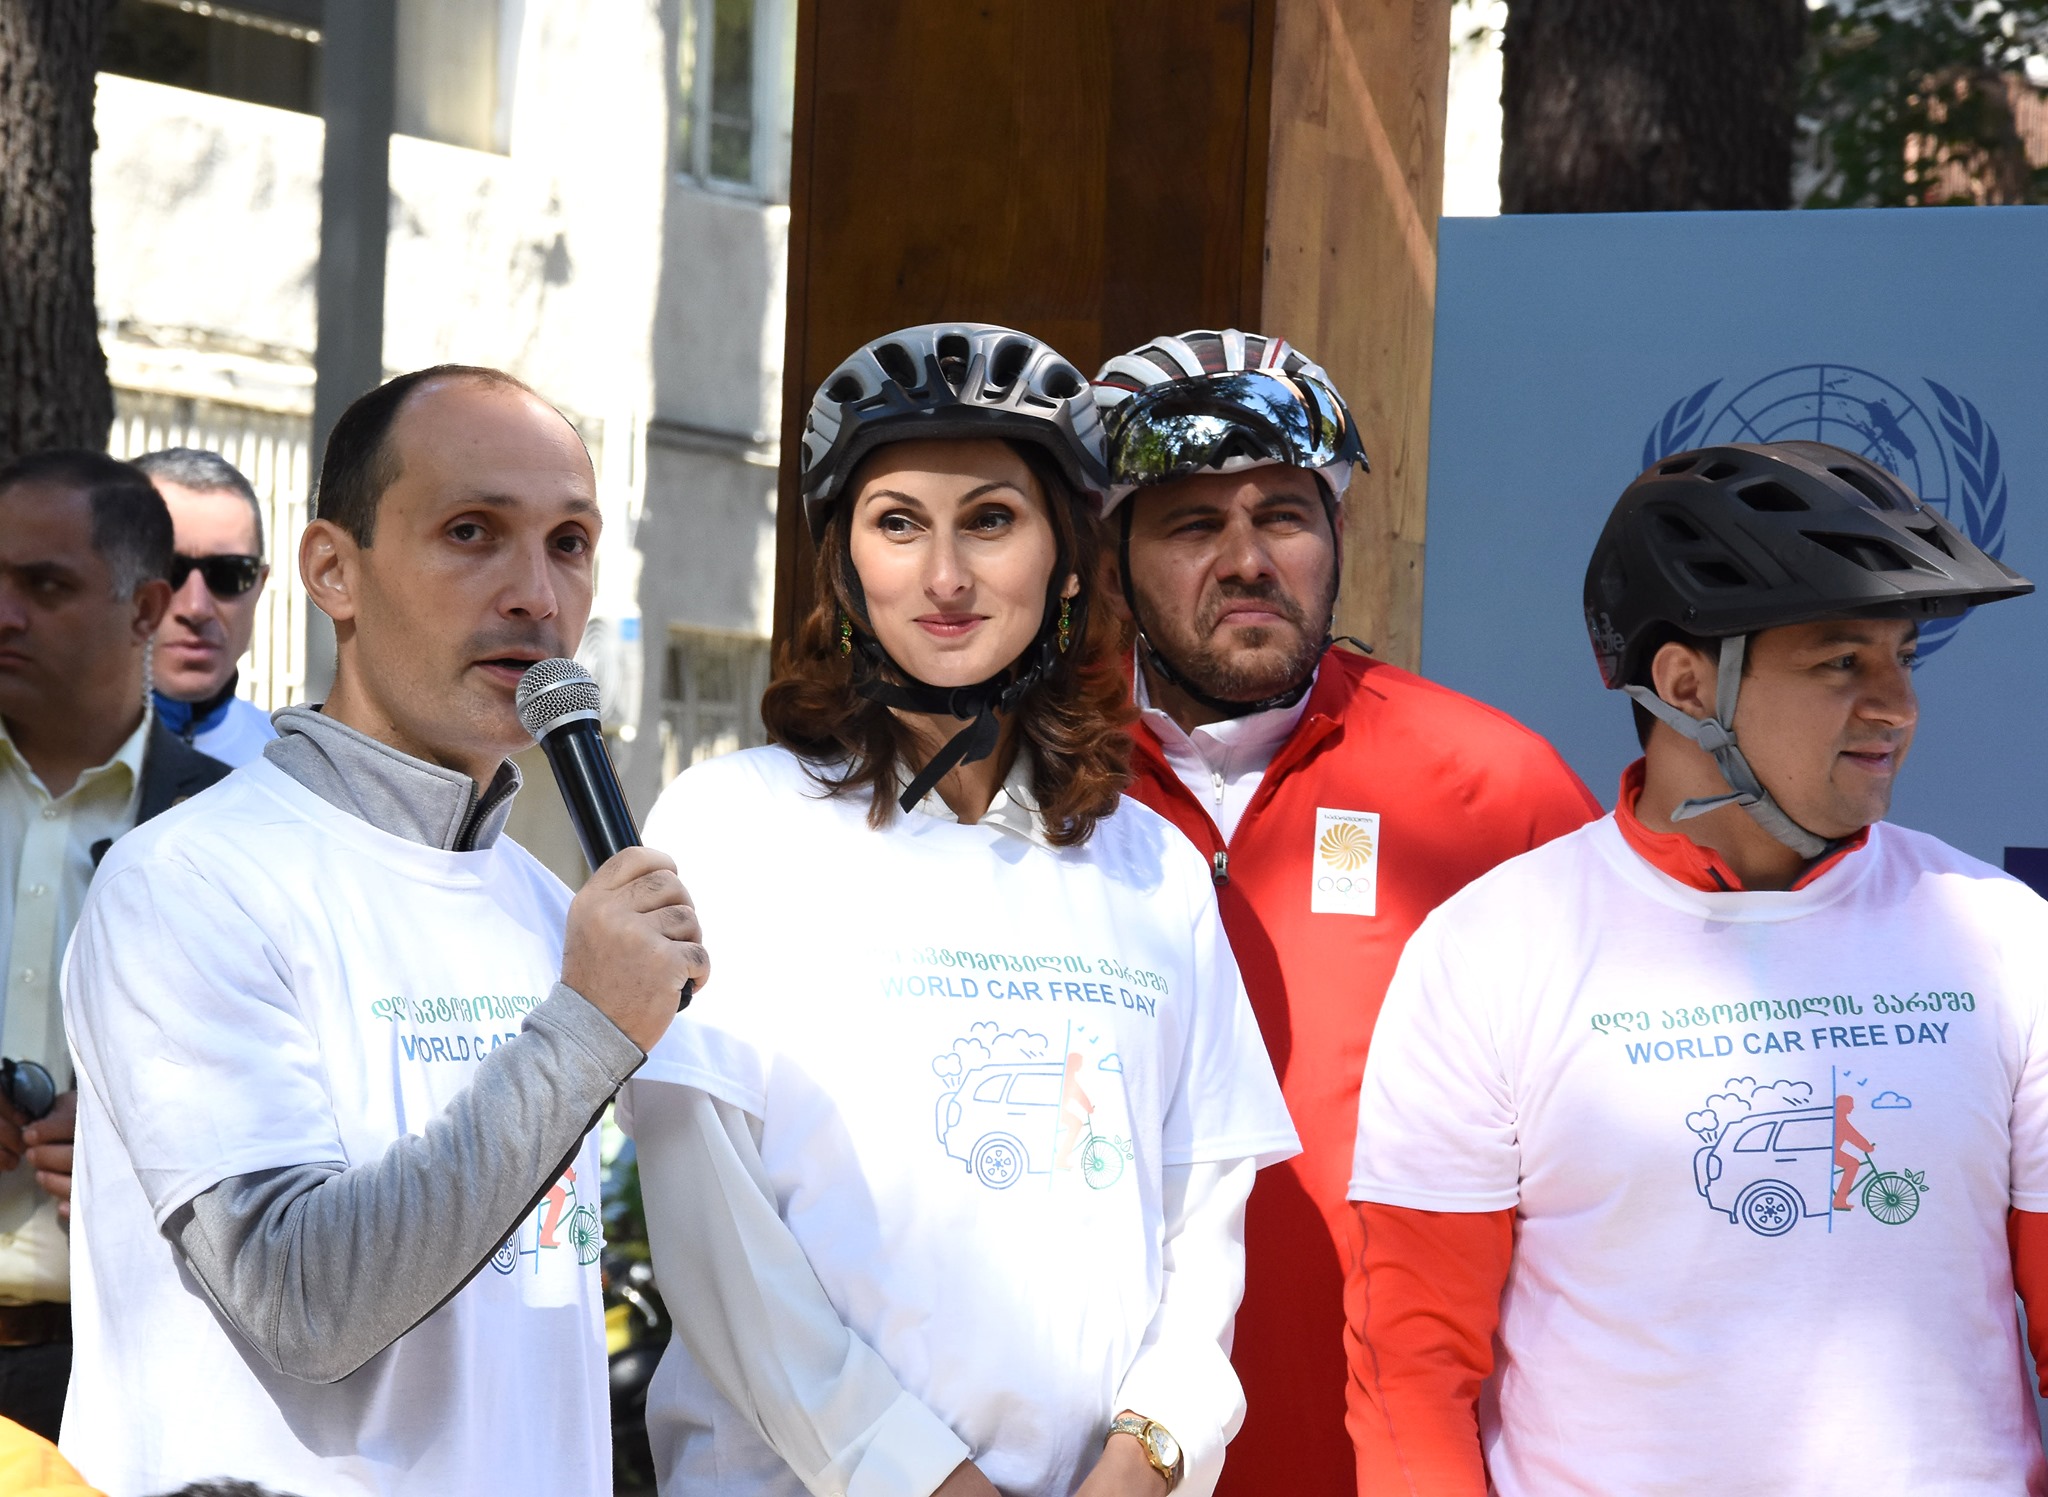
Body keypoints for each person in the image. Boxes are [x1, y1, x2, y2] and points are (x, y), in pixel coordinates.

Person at [624, 323, 1299, 1497]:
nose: (944, 578)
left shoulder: (1150, 865)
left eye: (990, 520)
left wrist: (1151, 1450)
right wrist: (927, 1481)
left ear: (1068, 561)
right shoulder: (729, 824)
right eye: (898, 524)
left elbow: (1204, 1221)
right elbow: (711, 1235)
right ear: (844, 566)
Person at [1346, 441, 2044, 1494]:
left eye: (1902, 656)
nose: (1895, 705)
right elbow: (1409, 1369)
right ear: (1685, 684)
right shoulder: (1490, 948)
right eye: (1841, 662)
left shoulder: (2002, 937)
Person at [60, 366, 707, 1495]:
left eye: (568, 543)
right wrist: (588, 1025)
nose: (536, 595)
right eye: (472, 532)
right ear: (332, 570)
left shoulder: (547, 908)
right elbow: (302, 1301)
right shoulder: (191, 880)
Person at [1092, 328, 1599, 1494]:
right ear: (1112, 563)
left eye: (1283, 515)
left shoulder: (1496, 787)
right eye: (1190, 524)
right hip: (1088, 1461)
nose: (1245, 560)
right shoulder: (1028, 782)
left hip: (1397, 1461)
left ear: (1337, 534)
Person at [0, 451, 229, 1443]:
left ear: (144, 610)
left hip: (139, 1381)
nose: (3, 613)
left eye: (44, 586)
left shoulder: (238, 828)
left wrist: (146, 1138)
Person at [133, 449, 278, 767]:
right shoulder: (33, 758)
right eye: (165, 571)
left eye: (230, 573)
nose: (196, 608)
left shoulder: (294, 772)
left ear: (259, 585)